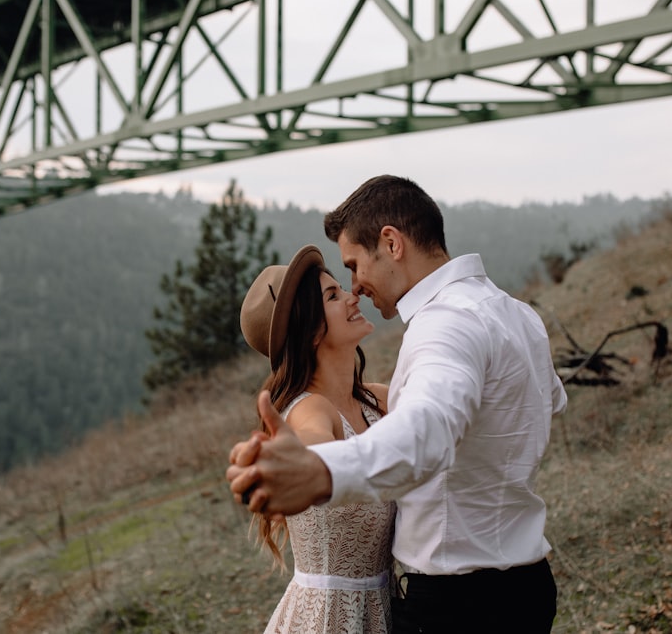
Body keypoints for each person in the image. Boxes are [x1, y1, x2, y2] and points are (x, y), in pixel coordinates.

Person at [228, 175, 568, 633]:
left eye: (353, 265)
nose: (355, 287)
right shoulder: (517, 314)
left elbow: (424, 430)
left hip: (458, 604)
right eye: (338, 284)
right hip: (528, 589)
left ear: (391, 243)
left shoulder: (442, 326)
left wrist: (317, 470)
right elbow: (549, 401)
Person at [238, 244, 397, 633]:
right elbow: (312, 443)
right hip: (325, 620)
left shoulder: (377, 399)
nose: (352, 294)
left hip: (385, 610)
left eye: (341, 287)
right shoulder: (310, 411)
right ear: (309, 332)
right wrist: (301, 461)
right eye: (333, 295)